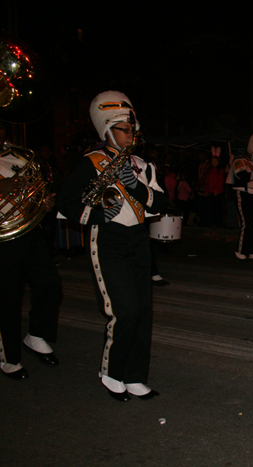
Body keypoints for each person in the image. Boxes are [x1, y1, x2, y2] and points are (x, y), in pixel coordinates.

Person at [58, 91, 167, 401]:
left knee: (143, 311)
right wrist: (96, 214)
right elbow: (66, 202)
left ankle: (135, 376)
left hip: (138, 241)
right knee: (125, 310)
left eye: (132, 129)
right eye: (123, 129)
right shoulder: (91, 163)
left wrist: (138, 187)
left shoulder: (142, 165)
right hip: (108, 240)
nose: (130, 134)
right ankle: (111, 372)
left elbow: (161, 203)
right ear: (106, 130)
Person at [0, 141, 62, 380]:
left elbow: (34, 192)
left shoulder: (19, 157)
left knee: (50, 284)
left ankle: (36, 335)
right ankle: (9, 357)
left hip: (28, 232)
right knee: (7, 298)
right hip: (2, 240)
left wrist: (43, 204)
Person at [228, 134, 253, 259]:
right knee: (246, 223)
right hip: (242, 194)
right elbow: (242, 177)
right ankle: (241, 250)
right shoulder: (240, 161)